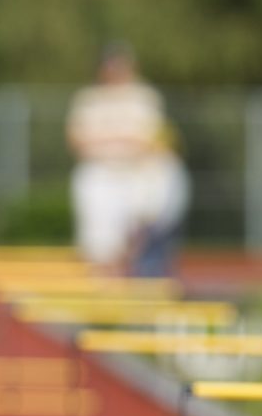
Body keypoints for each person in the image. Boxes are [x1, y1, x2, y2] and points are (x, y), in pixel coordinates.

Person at [66, 43, 189, 276]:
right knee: (100, 244)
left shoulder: (145, 98)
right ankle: (104, 287)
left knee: (141, 234)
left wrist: (110, 142)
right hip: (100, 174)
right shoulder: (89, 99)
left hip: (134, 174)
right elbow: (77, 141)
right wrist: (123, 142)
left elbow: (155, 143)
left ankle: (138, 279)